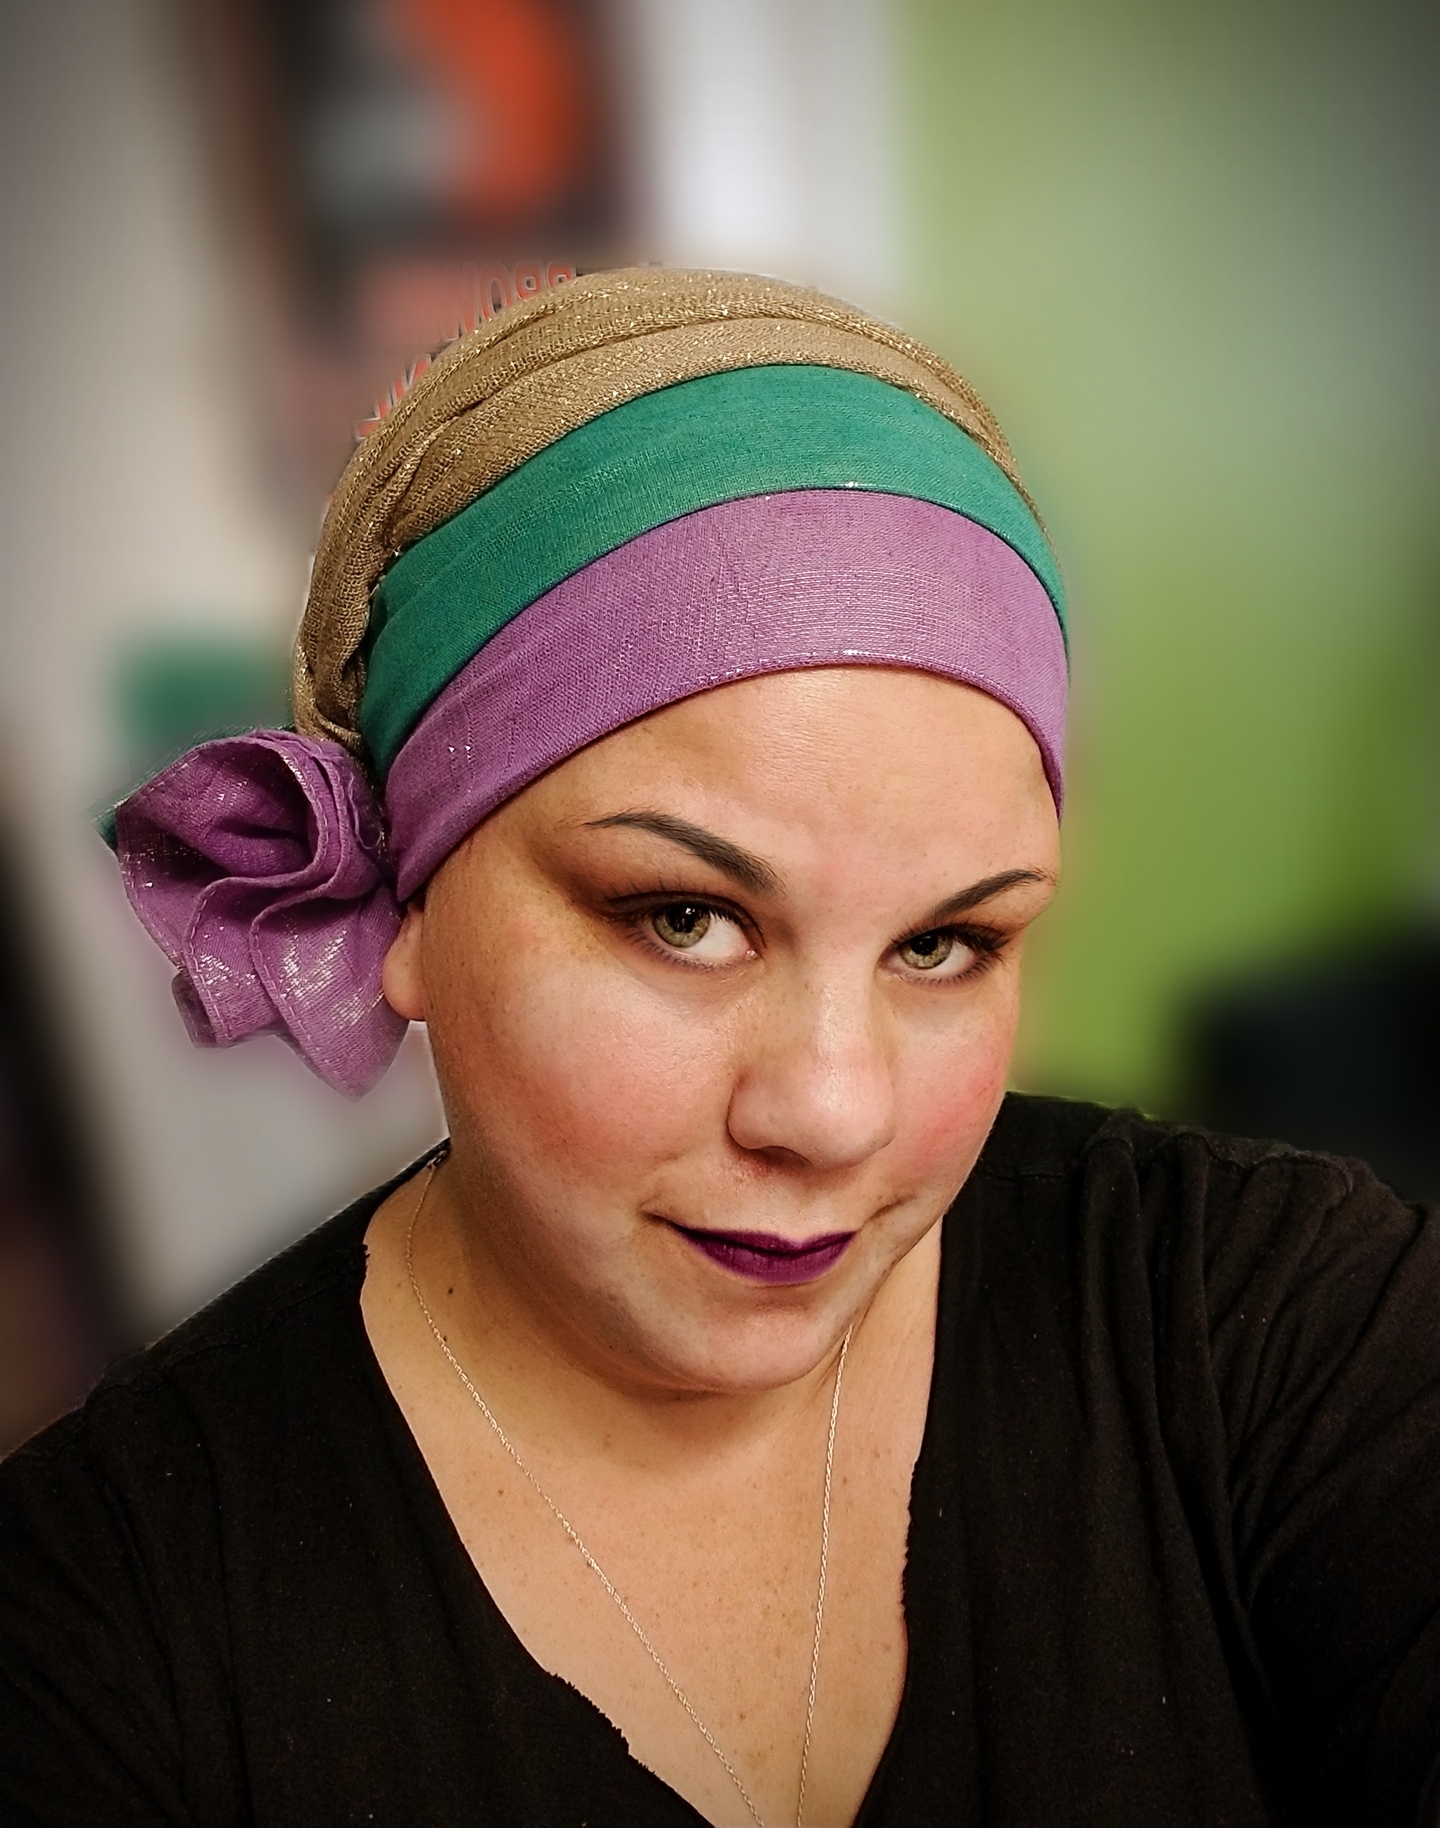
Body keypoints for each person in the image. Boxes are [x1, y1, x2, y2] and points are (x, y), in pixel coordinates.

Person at [1, 270, 1435, 1828]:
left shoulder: (1272, 1322)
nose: (832, 1112)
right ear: (406, 891)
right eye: (683, 918)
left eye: (944, 944)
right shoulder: (101, 1629)